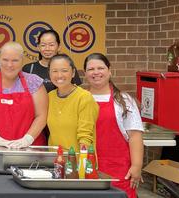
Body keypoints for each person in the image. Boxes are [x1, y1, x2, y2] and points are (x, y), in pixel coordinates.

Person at [0, 42, 47, 166]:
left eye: (15, 60)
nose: (9, 65)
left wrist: (27, 139)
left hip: (28, 153)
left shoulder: (34, 82)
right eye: (5, 60)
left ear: (22, 61)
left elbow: (41, 116)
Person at [85, 53, 144, 198]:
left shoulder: (124, 100)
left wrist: (136, 166)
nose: (96, 72)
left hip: (119, 169)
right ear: (85, 73)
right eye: (91, 69)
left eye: (101, 68)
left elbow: (135, 136)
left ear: (109, 70)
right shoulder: (80, 98)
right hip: (87, 166)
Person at [46, 54, 98, 150]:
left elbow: (85, 136)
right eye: (54, 71)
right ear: (49, 73)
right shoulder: (49, 97)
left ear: (73, 72)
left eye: (64, 71)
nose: (59, 75)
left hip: (78, 160)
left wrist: (82, 161)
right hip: (56, 160)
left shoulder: (84, 97)